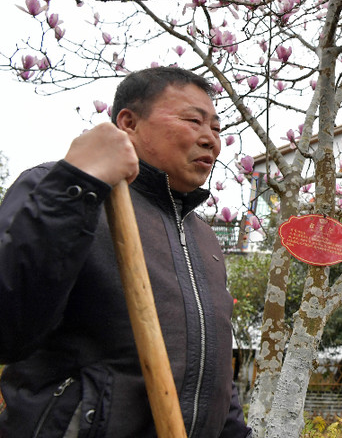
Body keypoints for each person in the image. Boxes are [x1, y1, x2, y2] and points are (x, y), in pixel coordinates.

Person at [0, 66, 252, 437]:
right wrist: (75, 185)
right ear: (129, 123)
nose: (210, 140)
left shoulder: (204, 238)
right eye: (193, 121)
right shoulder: (61, 191)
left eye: (216, 128)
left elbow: (210, 374)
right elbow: (8, 325)